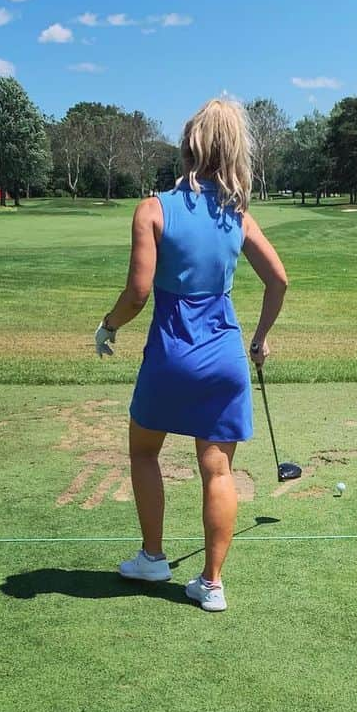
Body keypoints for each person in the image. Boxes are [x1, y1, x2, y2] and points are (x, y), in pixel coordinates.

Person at [94, 98, 288, 612]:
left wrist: (108, 325)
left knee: (143, 450)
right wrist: (261, 337)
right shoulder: (237, 216)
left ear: (186, 147)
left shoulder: (154, 209)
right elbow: (279, 280)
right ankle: (212, 584)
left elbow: (137, 294)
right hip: (225, 357)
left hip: (170, 355)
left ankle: (153, 557)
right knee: (217, 471)